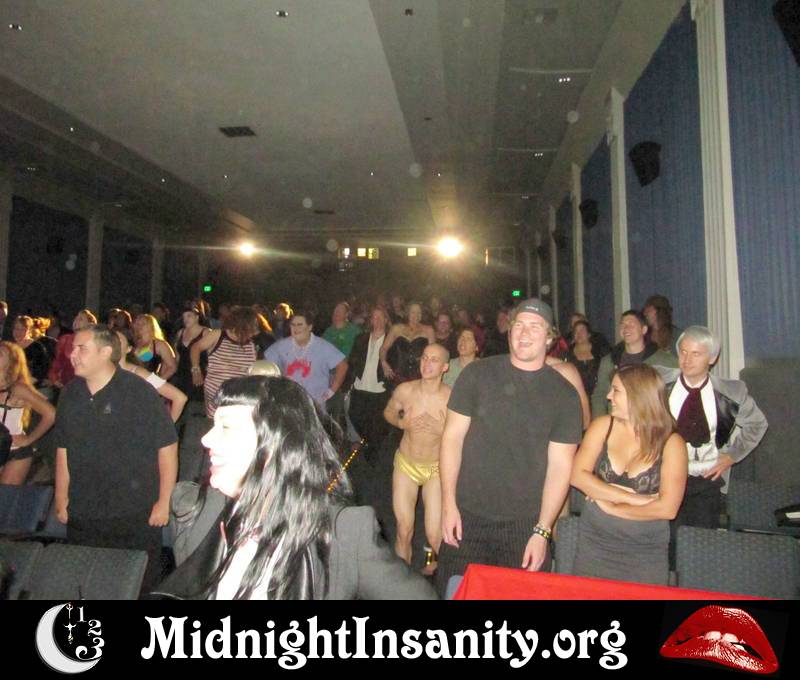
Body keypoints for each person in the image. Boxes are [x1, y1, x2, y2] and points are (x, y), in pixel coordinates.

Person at [155, 375, 437, 600]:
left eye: (226, 427)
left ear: (277, 445)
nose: (206, 440)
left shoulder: (343, 533)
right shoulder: (194, 509)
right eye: (213, 425)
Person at [436, 298, 583, 595]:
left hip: (525, 526)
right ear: (509, 330)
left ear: (550, 338)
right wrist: (448, 503)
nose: (524, 332)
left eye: (535, 327)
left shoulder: (564, 395)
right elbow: (452, 439)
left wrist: (543, 531)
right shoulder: (476, 375)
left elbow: (560, 467)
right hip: (467, 518)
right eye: (519, 325)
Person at [54, 325, 178, 591]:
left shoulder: (138, 392)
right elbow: (63, 449)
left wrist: (163, 502)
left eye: (81, 349)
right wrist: (61, 497)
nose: (72, 354)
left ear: (105, 352)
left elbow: (167, 447)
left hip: (133, 513)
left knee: (134, 588)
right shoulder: (70, 394)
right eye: (73, 348)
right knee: (85, 588)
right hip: (84, 511)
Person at [570, 364, 688, 585]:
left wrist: (612, 507)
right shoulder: (602, 426)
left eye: (616, 391)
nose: (608, 396)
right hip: (594, 543)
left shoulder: (672, 443)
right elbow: (577, 476)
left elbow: (668, 508)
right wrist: (633, 498)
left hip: (644, 552)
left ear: (638, 396)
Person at [657, 326, 768, 530]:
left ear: (712, 358)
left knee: (701, 539)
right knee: (663, 539)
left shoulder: (732, 392)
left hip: (706, 480)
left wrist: (731, 456)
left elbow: (757, 424)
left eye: (696, 354)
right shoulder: (659, 381)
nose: (687, 360)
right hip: (661, 477)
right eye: (683, 352)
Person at [384, 344, 451, 572]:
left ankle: (443, 573)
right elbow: (389, 412)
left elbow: (462, 435)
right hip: (406, 464)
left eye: (434, 360)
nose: (427, 363)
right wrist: (401, 422)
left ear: (445, 367)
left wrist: (443, 429)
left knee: (435, 535)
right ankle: (402, 579)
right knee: (404, 529)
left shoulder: (451, 397)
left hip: (435, 469)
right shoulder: (405, 390)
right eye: (424, 358)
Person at [591, 310, 678, 417]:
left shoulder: (664, 360)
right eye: (623, 325)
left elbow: (671, 394)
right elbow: (599, 395)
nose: (626, 328)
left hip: (649, 421)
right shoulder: (609, 362)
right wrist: (601, 422)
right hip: (617, 420)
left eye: (631, 324)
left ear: (644, 329)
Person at [265, 309, 348, 412]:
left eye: (300, 325)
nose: (296, 328)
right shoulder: (281, 346)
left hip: (315, 406)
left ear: (309, 327)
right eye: (293, 325)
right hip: (289, 404)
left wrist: (331, 391)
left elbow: (343, 365)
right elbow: (265, 364)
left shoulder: (322, 346)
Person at [0, 342, 56, 485]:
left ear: (11, 363)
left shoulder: (17, 388)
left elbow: (50, 414)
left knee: (5, 496)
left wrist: (29, 440)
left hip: (14, 452)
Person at [189, 306, 260, 418]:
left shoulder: (250, 345)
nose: (255, 329)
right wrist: (195, 369)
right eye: (253, 325)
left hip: (239, 392)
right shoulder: (218, 335)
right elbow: (195, 348)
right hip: (217, 389)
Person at [344, 306, 391, 461]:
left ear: (386, 319)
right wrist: (351, 379)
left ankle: (373, 453)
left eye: (380, 317)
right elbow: (352, 360)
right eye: (374, 317)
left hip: (379, 388)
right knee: (355, 414)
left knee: (377, 423)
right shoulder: (361, 338)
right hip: (361, 385)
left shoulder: (391, 340)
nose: (377, 320)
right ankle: (369, 442)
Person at [117, 329, 188, 423]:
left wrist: (166, 428)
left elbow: (179, 397)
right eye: (111, 340)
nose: (113, 344)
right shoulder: (102, 372)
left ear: (128, 348)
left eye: (119, 341)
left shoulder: (139, 373)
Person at [380, 302, 434, 384]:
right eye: (413, 312)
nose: (416, 315)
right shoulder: (396, 328)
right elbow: (383, 349)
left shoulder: (428, 330)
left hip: (419, 376)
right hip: (398, 375)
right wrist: (384, 363)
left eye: (419, 312)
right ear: (407, 313)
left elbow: (433, 353)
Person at [49, 309, 97, 389]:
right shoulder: (65, 339)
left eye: (81, 319)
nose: (76, 321)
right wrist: (54, 379)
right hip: (66, 385)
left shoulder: (94, 341)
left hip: (86, 385)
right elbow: (57, 362)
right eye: (76, 318)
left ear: (90, 324)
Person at [171, 305, 210, 402]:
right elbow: (177, 356)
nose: (186, 319)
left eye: (189, 316)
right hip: (182, 374)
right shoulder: (181, 333)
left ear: (197, 317)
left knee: (196, 402)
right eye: (184, 317)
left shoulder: (206, 332)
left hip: (198, 374)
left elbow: (211, 356)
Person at [566, 319, 604, 398]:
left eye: (582, 330)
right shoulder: (566, 355)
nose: (579, 333)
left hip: (598, 395)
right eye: (576, 331)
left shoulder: (600, 352)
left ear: (589, 334)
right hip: (575, 396)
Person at [132, 313, 177, 380]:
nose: (140, 326)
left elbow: (172, 367)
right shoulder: (135, 343)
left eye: (143, 323)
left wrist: (158, 381)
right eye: (138, 324)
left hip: (152, 382)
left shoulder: (159, 344)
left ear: (151, 326)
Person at [12, 315, 51, 387]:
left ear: (29, 330)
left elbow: (40, 372)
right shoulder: (10, 347)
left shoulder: (37, 347)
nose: (18, 332)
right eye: (16, 328)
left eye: (22, 329)